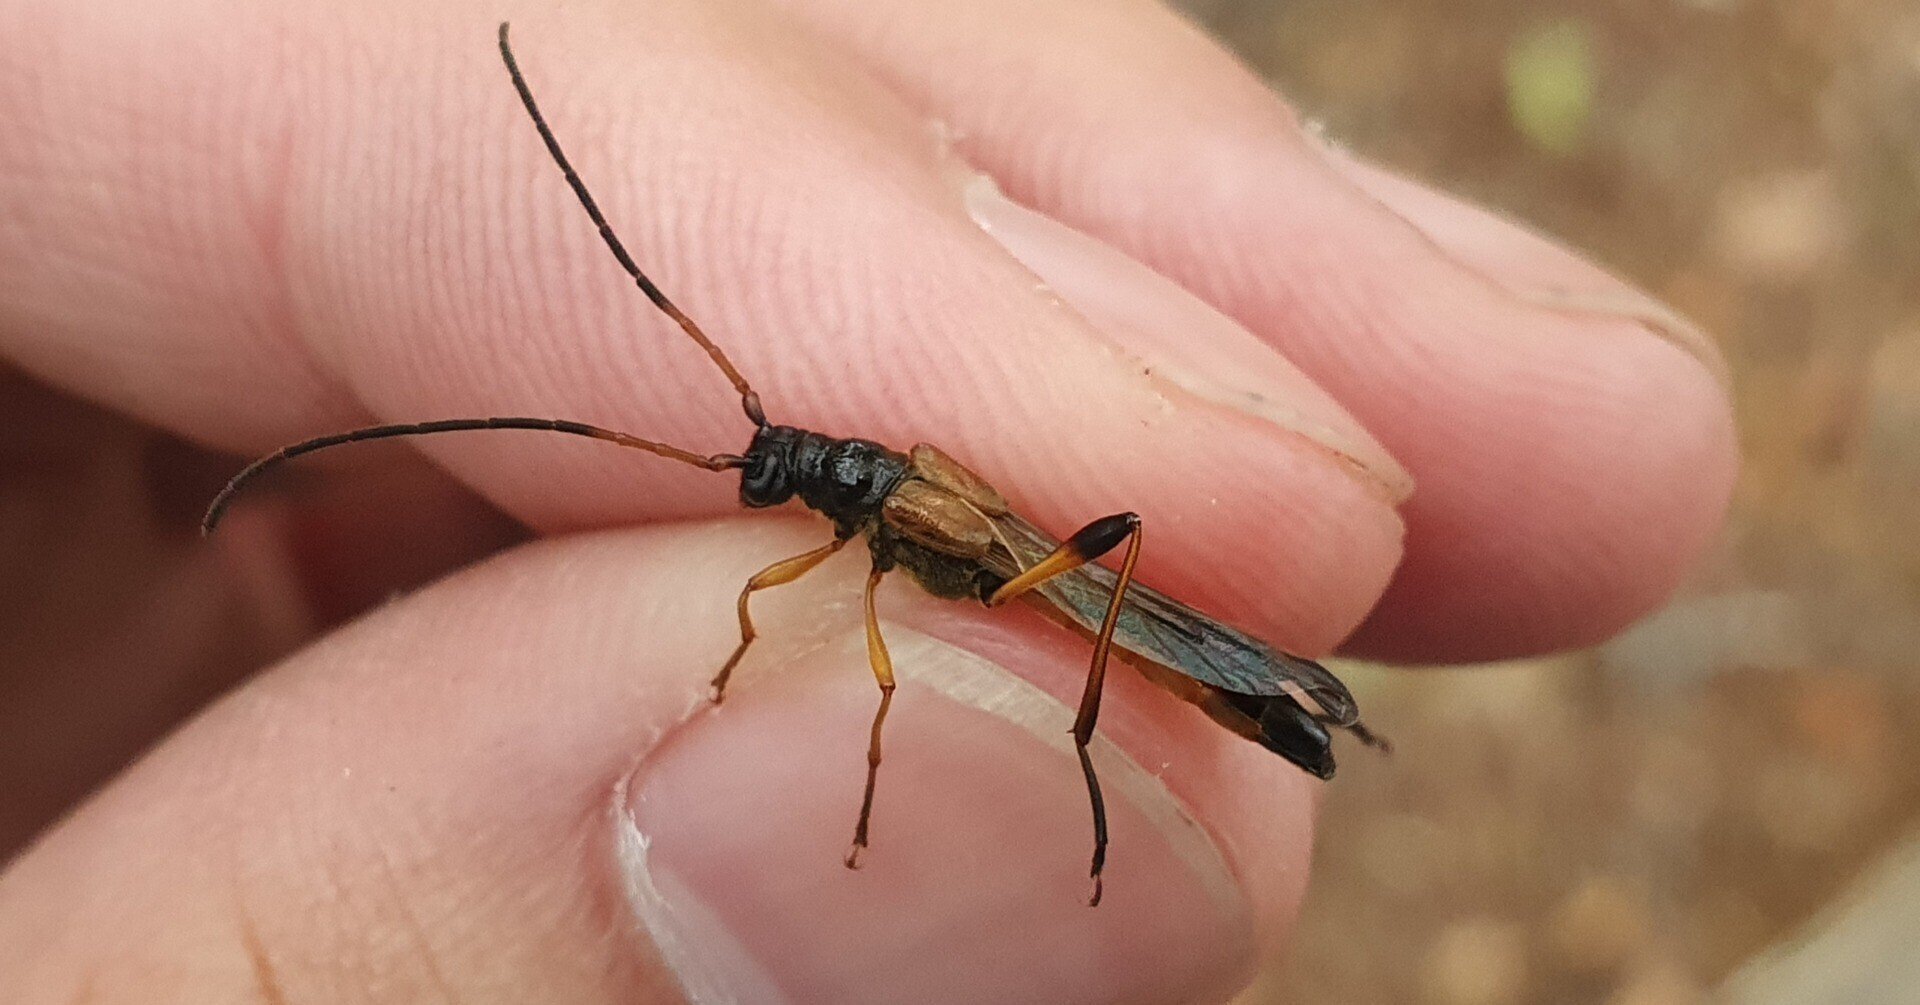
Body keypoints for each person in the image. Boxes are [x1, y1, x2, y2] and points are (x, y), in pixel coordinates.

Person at [0, 1, 1737, 1001]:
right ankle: (1237, 694)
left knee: (1076, 583)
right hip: (1055, 591)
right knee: (1019, 594)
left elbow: (872, 632)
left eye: (778, 470)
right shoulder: (859, 485)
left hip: (1090, 605)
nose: (766, 483)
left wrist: (911, 714)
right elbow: (798, 583)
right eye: (776, 475)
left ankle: (1212, 704)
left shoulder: (895, 506)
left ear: (823, 483)